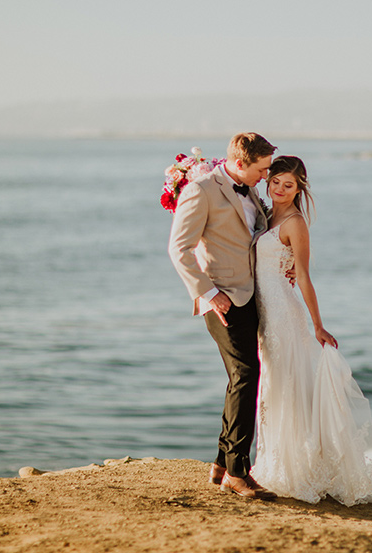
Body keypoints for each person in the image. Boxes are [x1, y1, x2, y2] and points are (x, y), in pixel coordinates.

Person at [251, 155, 372, 506]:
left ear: (299, 188)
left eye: (288, 185)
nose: (279, 189)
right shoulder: (265, 212)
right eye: (275, 181)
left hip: (283, 314)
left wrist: (318, 326)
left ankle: (300, 470)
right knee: (274, 386)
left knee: (288, 386)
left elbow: (304, 276)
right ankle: (277, 461)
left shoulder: (295, 222)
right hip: (264, 311)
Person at [167, 132, 278, 500]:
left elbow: (254, 237)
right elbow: (178, 248)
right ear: (242, 163)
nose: (265, 176)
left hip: (252, 295)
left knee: (240, 377)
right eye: (262, 170)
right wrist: (210, 293)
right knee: (247, 375)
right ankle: (236, 473)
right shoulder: (201, 190)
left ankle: (221, 462)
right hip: (222, 298)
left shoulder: (248, 189)